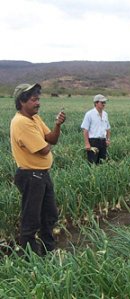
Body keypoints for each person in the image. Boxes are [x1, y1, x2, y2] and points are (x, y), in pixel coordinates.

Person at [10, 83, 66, 255]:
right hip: (30, 176)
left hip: (41, 175)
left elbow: (51, 139)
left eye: (38, 99)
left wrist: (57, 125)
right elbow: (44, 149)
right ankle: (29, 261)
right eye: (34, 100)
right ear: (22, 102)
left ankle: (47, 253)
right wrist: (46, 142)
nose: (38, 103)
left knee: (49, 216)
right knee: (31, 221)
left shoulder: (34, 118)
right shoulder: (21, 122)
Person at [81, 94, 111, 164]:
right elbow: (85, 130)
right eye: (102, 102)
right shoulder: (89, 114)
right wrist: (87, 143)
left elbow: (108, 128)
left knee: (103, 163)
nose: (104, 104)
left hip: (103, 142)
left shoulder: (105, 114)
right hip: (93, 141)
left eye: (104, 102)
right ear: (96, 103)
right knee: (92, 163)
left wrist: (108, 140)